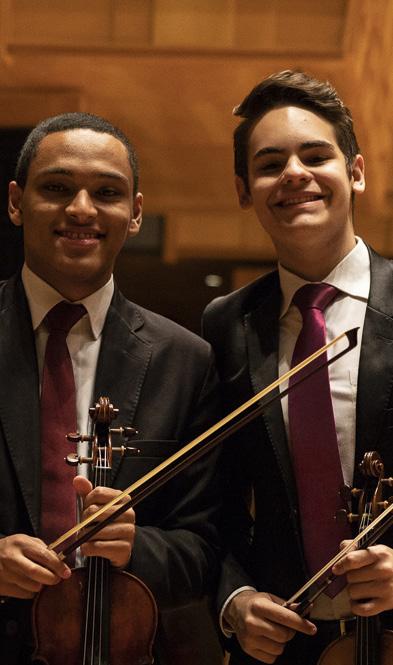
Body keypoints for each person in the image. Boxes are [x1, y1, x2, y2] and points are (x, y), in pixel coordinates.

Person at [0, 112, 223, 665]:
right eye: (56, 188)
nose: (81, 209)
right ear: (15, 202)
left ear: (135, 213)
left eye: (106, 192)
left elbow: (209, 546)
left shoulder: (185, 361)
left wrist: (136, 548)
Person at [202, 70, 393, 664]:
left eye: (316, 155)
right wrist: (233, 599)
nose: (293, 174)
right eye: (269, 164)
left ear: (355, 172)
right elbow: (215, 501)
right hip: (288, 649)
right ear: (244, 190)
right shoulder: (227, 324)